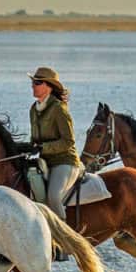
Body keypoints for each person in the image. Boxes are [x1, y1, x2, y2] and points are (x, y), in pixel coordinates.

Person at [27, 66, 82, 258]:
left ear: (49, 87)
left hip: (64, 161)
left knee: (53, 196)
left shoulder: (59, 109)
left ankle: (64, 243)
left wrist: (43, 149)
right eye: (32, 82)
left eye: (37, 83)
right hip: (43, 162)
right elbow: (35, 140)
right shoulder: (34, 109)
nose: (33, 86)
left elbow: (68, 142)